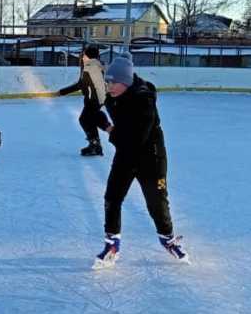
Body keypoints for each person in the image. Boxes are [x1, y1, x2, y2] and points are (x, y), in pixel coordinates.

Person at [93, 53, 188, 269]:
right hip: (126, 155)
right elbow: (123, 139)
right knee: (112, 198)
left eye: (113, 82)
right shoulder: (113, 99)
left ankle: (168, 239)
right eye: (107, 81)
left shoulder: (144, 100)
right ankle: (112, 244)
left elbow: (135, 139)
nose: (109, 86)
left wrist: (108, 128)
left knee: (157, 202)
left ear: (126, 82)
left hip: (151, 157)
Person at [57, 44, 107, 156]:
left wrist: (61, 92)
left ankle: (95, 144)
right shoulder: (95, 65)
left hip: (94, 100)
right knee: (89, 120)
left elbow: (80, 84)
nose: (82, 56)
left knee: (84, 119)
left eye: (84, 54)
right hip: (96, 99)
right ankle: (95, 145)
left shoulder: (90, 66)